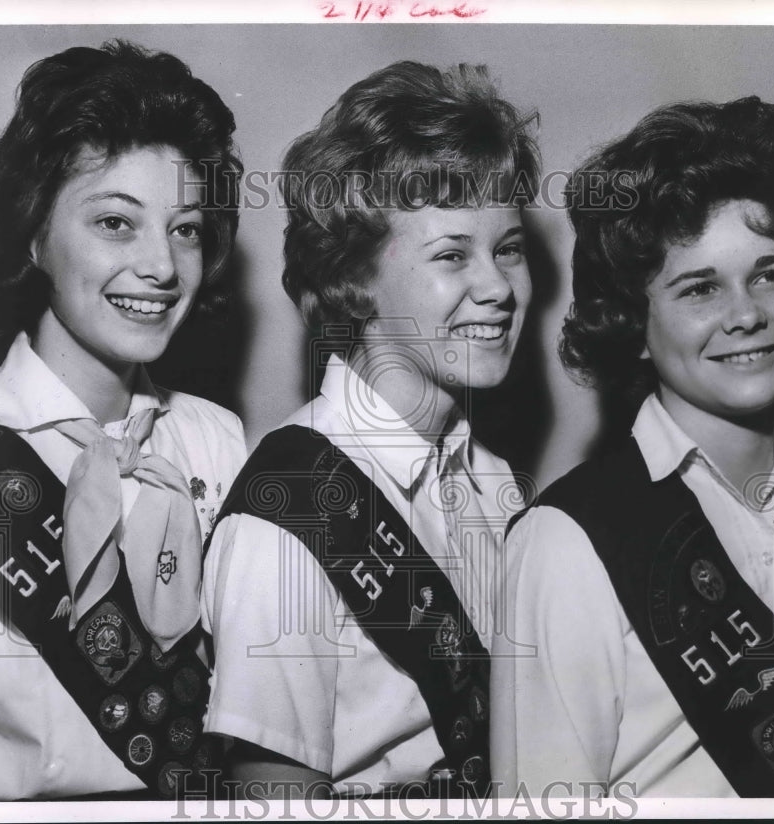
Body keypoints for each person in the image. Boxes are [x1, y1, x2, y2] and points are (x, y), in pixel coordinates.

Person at [491, 96, 774, 798]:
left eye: (771, 272)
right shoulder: (566, 543)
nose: (747, 313)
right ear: (634, 324)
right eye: (700, 289)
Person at [0, 41, 246, 801]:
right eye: (116, 223)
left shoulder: (219, 443)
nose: (163, 267)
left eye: (186, 228)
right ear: (33, 235)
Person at [201, 61, 540, 799]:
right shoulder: (282, 516)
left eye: (508, 248)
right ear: (355, 277)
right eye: (452, 254)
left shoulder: (498, 484)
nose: (498, 287)